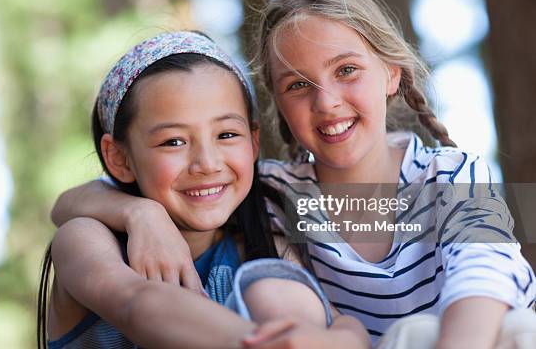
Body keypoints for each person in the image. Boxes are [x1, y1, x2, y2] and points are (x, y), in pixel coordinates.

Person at [51, 0, 536, 348]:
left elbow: (484, 275)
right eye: (298, 85)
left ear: (391, 73)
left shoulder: (452, 175)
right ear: (277, 105)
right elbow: (71, 206)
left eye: (347, 70)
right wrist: (140, 213)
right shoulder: (279, 195)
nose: (326, 103)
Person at [38, 30, 370, 349]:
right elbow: (136, 305)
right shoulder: (85, 239)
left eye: (226, 135)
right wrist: (141, 214)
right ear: (119, 158)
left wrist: (345, 340)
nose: (207, 163)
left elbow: (340, 322)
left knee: (276, 289)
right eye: (173, 141)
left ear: (254, 143)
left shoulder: (259, 241)